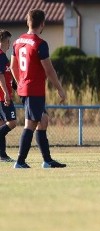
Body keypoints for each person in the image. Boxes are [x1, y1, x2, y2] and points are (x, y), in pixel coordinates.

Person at [10, 9, 67, 169]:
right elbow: (49, 70)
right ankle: (20, 162)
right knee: (31, 124)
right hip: (34, 90)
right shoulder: (40, 44)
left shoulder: (17, 41)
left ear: (28, 22)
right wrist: (60, 89)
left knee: (43, 120)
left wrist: (20, 82)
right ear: (42, 24)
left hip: (26, 88)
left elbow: (13, 66)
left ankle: (47, 161)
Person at [0, 30, 18, 162]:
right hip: (2, 97)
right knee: (12, 123)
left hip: (3, 96)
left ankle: (2, 155)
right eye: (7, 41)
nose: (9, 44)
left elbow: (8, 77)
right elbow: (0, 76)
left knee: (2, 125)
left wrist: (17, 88)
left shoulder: (4, 56)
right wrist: (6, 93)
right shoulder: (0, 56)